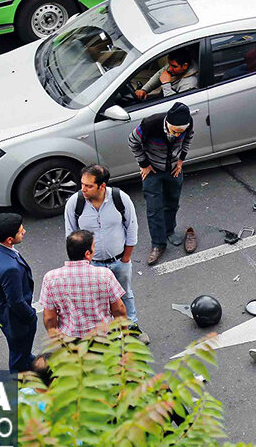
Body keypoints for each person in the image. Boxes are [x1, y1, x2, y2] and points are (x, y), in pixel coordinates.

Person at [64, 165, 148, 343]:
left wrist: (125, 259)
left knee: (125, 294)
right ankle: (106, 334)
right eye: (82, 184)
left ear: (102, 186)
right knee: (96, 300)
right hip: (92, 264)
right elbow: (71, 235)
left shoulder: (120, 198)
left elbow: (132, 228)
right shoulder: (75, 203)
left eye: (88, 186)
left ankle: (132, 328)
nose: (83, 189)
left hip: (119, 261)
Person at [128, 102, 195, 265]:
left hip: (173, 169)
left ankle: (169, 230)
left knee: (172, 202)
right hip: (152, 171)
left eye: (180, 132)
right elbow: (132, 142)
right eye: (174, 131)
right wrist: (143, 164)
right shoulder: (150, 124)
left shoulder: (188, 124)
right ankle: (158, 244)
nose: (177, 135)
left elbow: (187, 140)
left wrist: (180, 161)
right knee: (154, 208)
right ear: (167, 123)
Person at [38, 230, 128, 338]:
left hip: (70, 342)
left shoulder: (50, 278)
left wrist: (54, 338)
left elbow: (49, 318)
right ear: (87, 254)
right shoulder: (104, 275)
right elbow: (119, 309)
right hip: (104, 338)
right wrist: (125, 334)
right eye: (94, 247)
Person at [0, 213, 37, 372]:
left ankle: (27, 358)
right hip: (15, 319)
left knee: (20, 349)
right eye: (20, 231)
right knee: (18, 353)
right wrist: (31, 316)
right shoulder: (10, 268)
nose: (24, 231)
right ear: (9, 239)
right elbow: (16, 302)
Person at [134, 47, 199, 101]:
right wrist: (144, 90)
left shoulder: (190, 83)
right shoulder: (175, 66)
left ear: (185, 66)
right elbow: (160, 74)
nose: (169, 69)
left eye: (174, 66)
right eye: (169, 64)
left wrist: (166, 84)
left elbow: (176, 105)